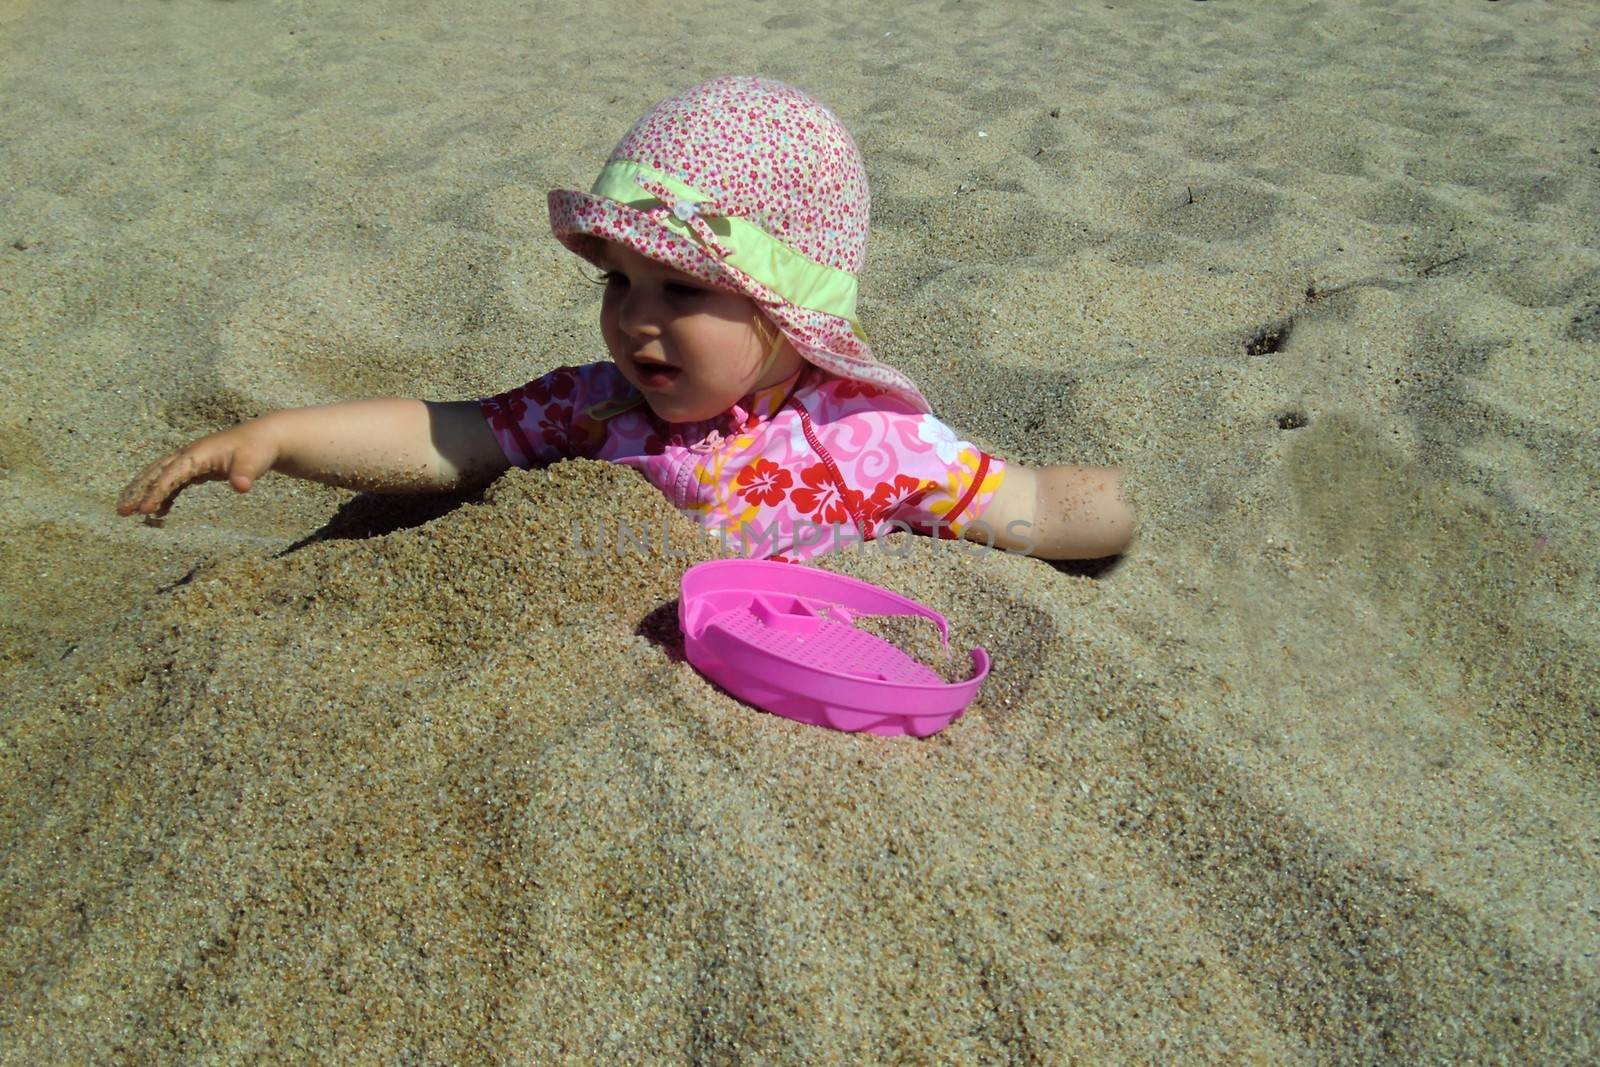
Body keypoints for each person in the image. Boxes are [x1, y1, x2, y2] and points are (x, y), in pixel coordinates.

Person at [118, 76, 1134, 562]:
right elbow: (448, 434)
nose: (635, 324)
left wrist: (1122, 515)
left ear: (788, 313)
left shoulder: (866, 445)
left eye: (683, 291)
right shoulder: (594, 408)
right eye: (617, 282)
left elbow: (1034, 503)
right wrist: (281, 436)